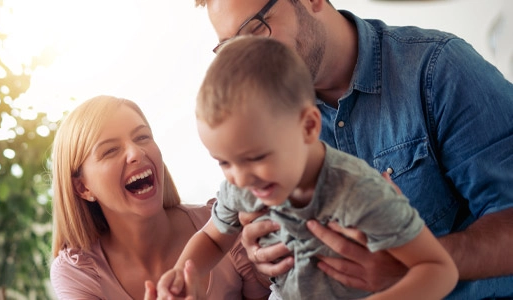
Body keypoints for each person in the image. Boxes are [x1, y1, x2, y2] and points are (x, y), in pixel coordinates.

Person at [193, 0, 513, 298]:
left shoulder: (438, 69)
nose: (251, 61)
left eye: (256, 28)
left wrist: (408, 265)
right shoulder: (261, 126)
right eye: (233, 48)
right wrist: (265, 260)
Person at [155, 35, 458, 300]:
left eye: (256, 157)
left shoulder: (359, 190)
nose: (241, 177)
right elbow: (211, 238)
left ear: (309, 126)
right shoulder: (241, 186)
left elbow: (439, 270)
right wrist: (185, 273)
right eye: (223, 162)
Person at [49, 95, 271, 300]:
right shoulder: (79, 273)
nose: (136, 152)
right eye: (110, 150)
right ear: (82, 187)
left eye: (142, 137)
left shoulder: (225, 224)